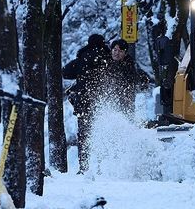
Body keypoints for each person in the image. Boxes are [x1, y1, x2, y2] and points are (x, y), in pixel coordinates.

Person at [63, 33, 111, 173]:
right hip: (103, 102)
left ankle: (84, 166)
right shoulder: (108, 58)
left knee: (84, 134)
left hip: (84, 103)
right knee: (103, 134)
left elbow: (65, 72)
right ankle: (103, 167)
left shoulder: (82, 58)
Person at [101, 39, 151, 114]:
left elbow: (138, 79)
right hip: (107, 103)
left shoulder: (129, 66)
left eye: (120, 51)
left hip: (125, 104)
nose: (117, 53)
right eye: (115, 50)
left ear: (125, 53)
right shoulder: (104, 63)